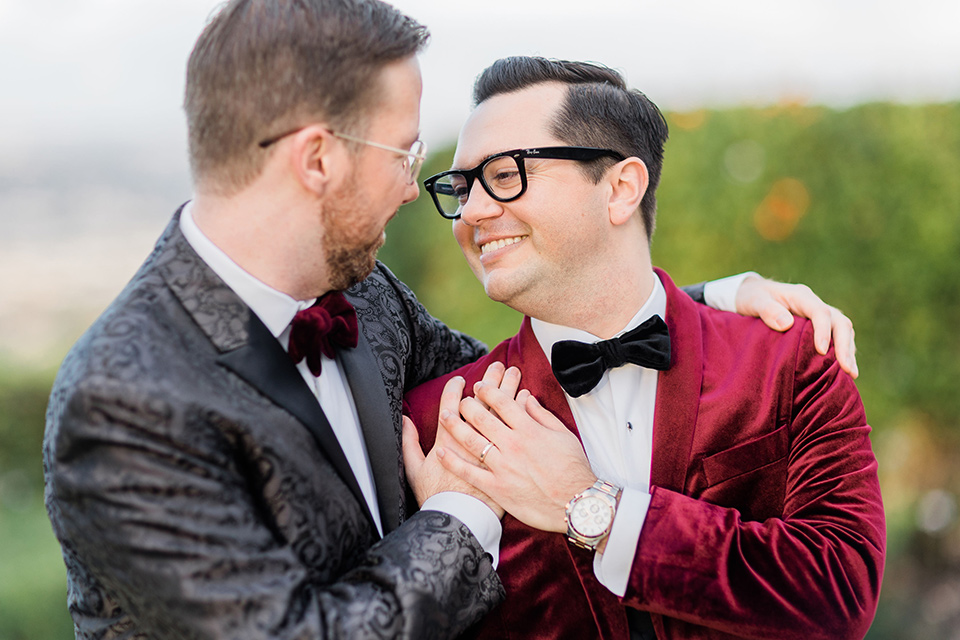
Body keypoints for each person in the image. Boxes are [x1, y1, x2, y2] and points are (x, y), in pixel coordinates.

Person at [43, 1, 856, 636]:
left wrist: (708, 304)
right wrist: (461, 516)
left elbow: (541, 360)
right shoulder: (123, 404)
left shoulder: (365, 296)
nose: (417, 191)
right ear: (318, 159)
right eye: (406, 156)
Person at [403, 57, 884, 640]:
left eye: (505, 175)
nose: (472, 212)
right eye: (460, 187)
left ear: (621, 188)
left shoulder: (791, 360)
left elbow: (838, 593)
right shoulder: (443, 428)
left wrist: (591, 506)